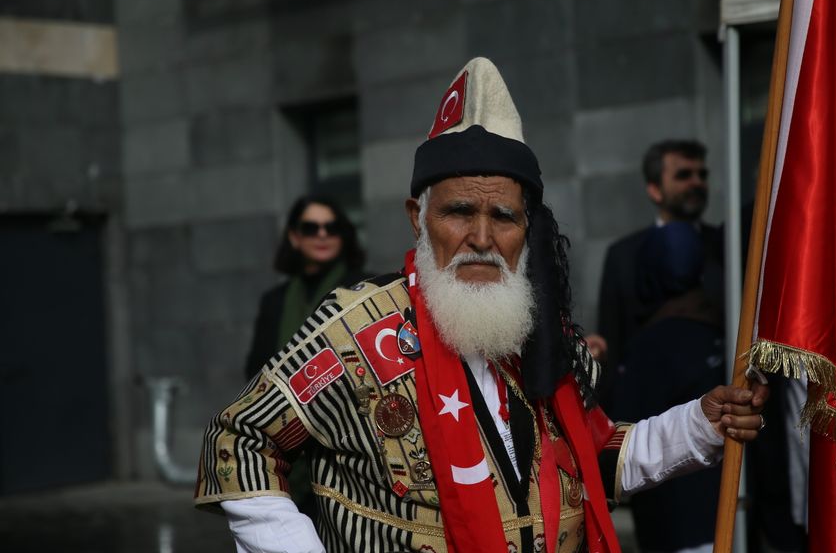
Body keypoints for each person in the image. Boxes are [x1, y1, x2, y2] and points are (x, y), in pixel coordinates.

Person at [195, 57, 767, 553]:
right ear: (418, 217)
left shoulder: (545, 339)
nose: (482, 238)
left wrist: (698, 425)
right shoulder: (356, 331)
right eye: (459, 212)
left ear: (527, 228)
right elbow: (240, 438)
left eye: (504, 217)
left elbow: (594, 463)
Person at [609, 222, 725, 553]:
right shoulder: (720, 330)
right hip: (726, 516)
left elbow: (619, 442)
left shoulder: (648, 348)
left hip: (675, 528)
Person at [596, 139, 724, 414]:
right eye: (683, 175)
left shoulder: (727, 245)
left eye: (702, 175)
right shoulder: (623, 255)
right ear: (655, 189)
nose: (696, 182)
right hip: (646, 408)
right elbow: (613, 341)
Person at [245, 194, 370, 380]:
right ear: (294, 237)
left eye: (332, 228)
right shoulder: (274, 301)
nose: (322, 234)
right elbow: (256, 372)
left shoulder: (364, 287)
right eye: (311, 228)